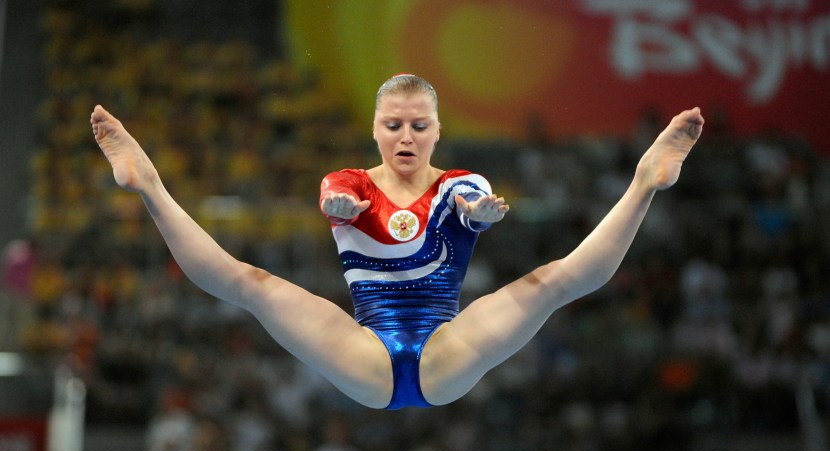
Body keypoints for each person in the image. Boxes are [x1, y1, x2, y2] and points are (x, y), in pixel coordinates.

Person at [91, 74, 704, 410]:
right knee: (249, 284)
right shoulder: (347, 182)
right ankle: (147, 183)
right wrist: (338, 211)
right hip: (364, 352)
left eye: (418, 125)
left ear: (438, 131)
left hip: (446, 349)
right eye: (393, 124)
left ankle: (646, 182)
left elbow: (469, 205)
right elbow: (336, 199)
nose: (405, 135)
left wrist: (476, 214)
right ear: (376, 130)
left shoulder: (462, 183)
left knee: (552, 283)